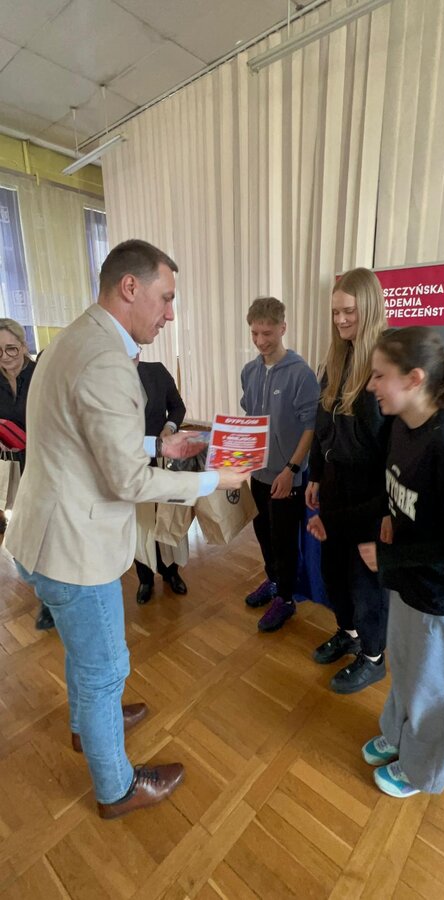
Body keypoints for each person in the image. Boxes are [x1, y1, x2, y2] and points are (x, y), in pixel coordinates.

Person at [5, 239, 246, 819]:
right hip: (74, 547)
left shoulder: (73, 339)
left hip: (45, 533)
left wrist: (160, 443)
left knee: (83, 655)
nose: (170, 314)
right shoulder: (106, 359)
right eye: (166, 298)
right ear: (130, 288)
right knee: (105, 669)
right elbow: (128, 481)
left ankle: (88, 725)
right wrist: (213, 479)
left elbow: (81, 433)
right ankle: (116, 788)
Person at [359, 326, 444, 798]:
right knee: (407, 671)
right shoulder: (402, 424)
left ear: (414, 378)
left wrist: (388, 556)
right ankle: (401, 738)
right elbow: (403, 489)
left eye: (380, 375)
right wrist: (388, 517)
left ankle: (425, 770)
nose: (371, 385)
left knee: (436, 693)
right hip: (412, 581)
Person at [306, 269, 391, 693]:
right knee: (334, 570)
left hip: (371, 493)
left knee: (365, 580)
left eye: (349, 311)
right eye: (335, 312)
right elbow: (323, 427)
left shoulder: (386, 363)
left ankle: (373, 656)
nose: (340, 320)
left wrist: (388, 511)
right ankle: (349, 632)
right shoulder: (336, 361)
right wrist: (315, 476)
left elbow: (392, 446)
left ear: (369, 308)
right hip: (335, 486)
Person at [241, 297, 319, 631]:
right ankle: (273, 582)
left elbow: (311, 427)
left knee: (285, 541)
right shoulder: (249, 371)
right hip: (258, 473)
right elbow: (250, 420)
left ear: (283, 328)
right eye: (255, 333)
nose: (260, 341)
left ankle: (286, 599)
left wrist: (292, 470)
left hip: (288, 476)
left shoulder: (301, 374)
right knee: (263, 534)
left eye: (267, 333)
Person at [135, 359, 190, 604]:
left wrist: (169, 427)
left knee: (168, 515)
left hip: (162, 459)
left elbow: (177, 407)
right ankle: (145, 578)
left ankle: (171, 572)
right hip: (131, 465)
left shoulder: (156, 371)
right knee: (140, 524)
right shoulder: (105, 376)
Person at [0, 318, 36, 535]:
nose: (4, 356)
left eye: (11, 348)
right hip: (7, 462)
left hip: (39, 461)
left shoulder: (41, 375)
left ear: (23, 346)